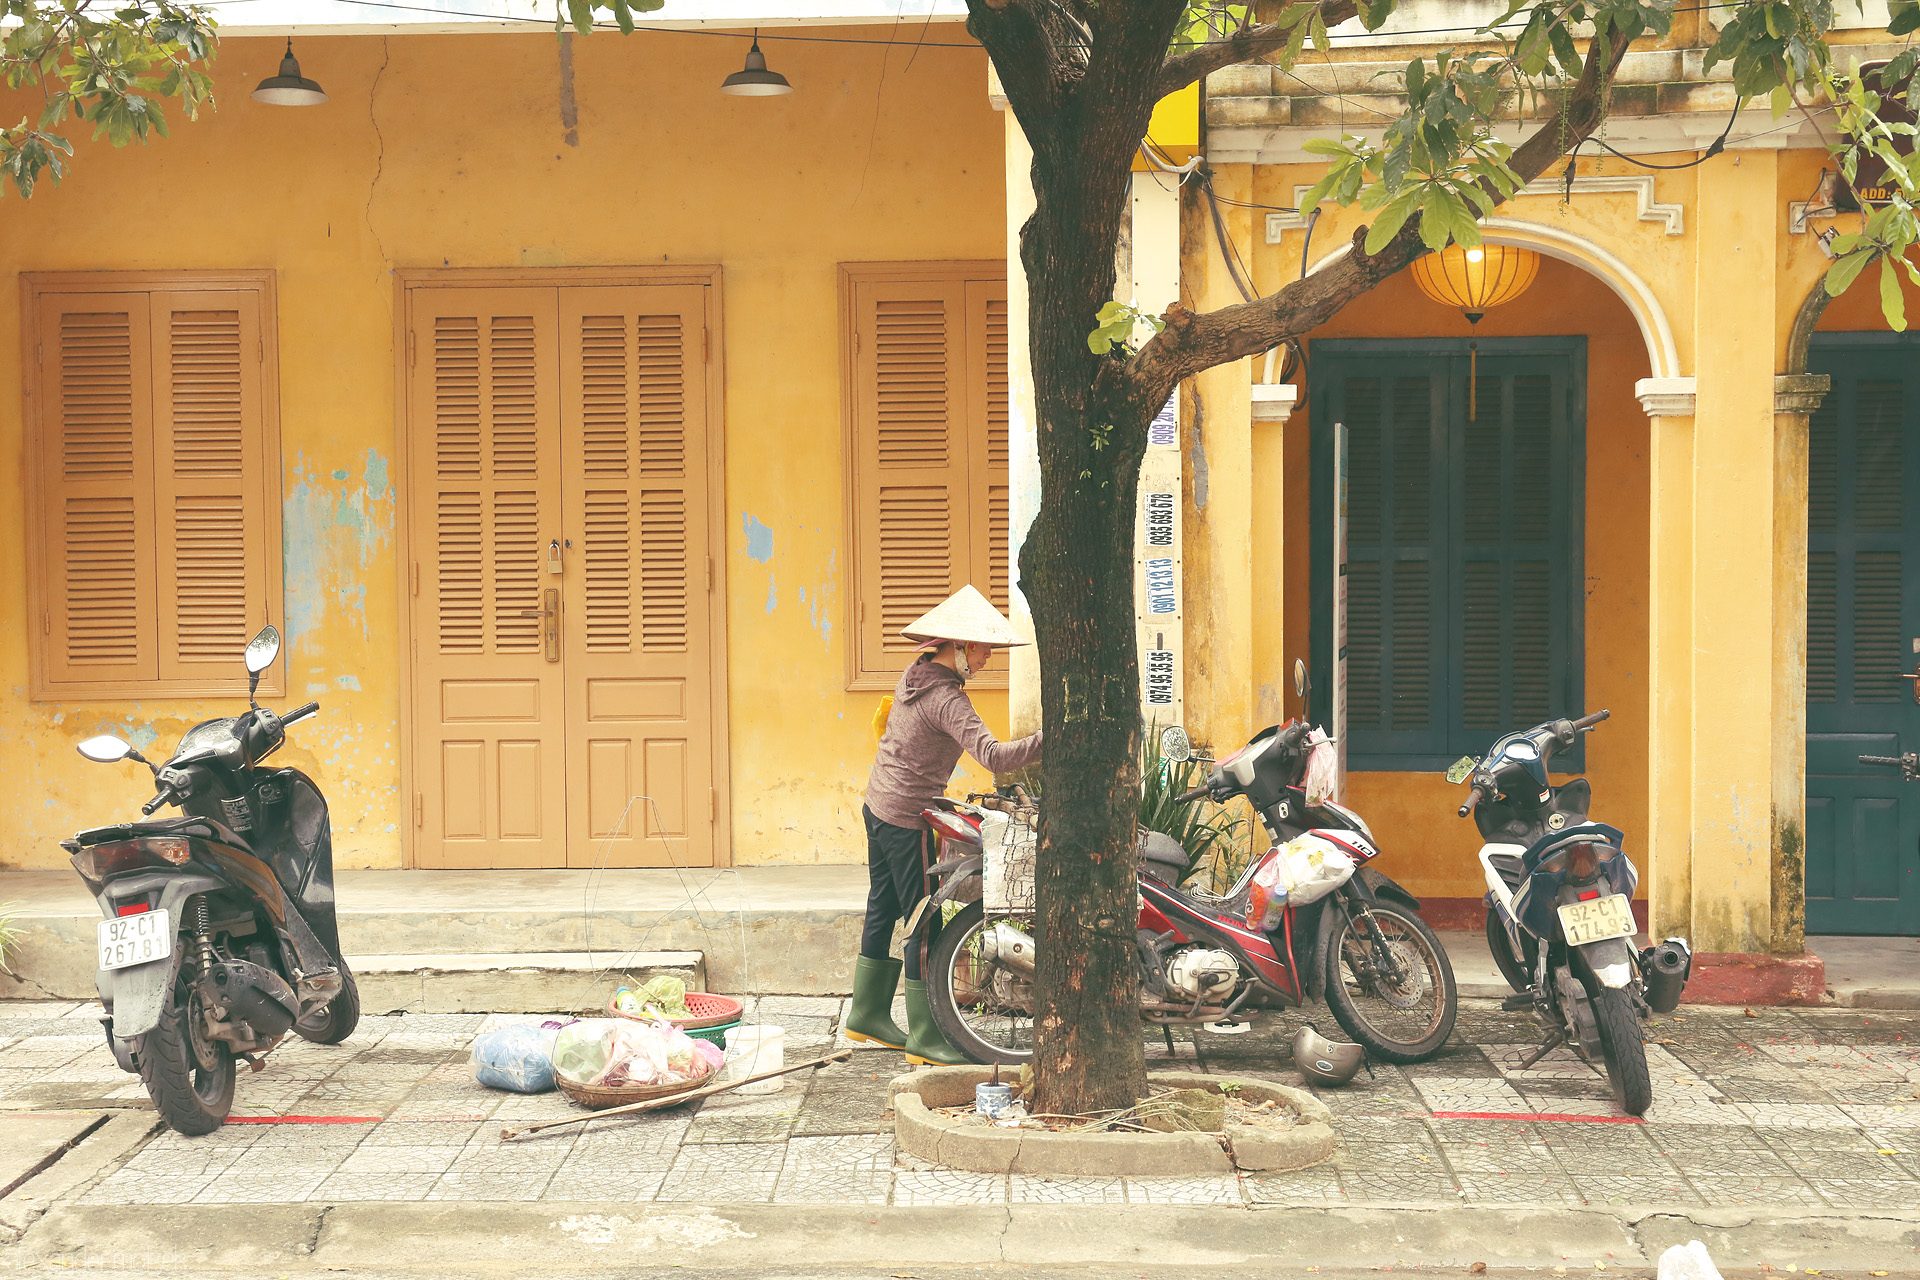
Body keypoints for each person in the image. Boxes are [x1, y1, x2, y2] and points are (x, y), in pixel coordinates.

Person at [846, 585, 1043, 1064]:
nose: (986, 660)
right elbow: (994, 756)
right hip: (906, 818)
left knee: (884, 905)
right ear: (957, 646)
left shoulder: (914, 675)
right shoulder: (948, 700)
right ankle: (926, 1036)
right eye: (982, 650)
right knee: (924, 920)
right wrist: (1053, 737)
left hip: (878, 805)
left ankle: (866, 1017)